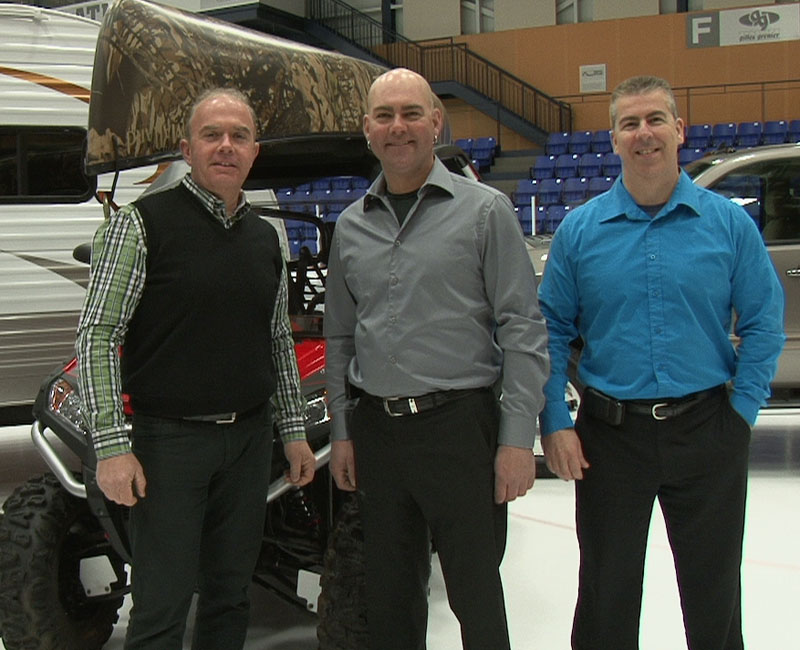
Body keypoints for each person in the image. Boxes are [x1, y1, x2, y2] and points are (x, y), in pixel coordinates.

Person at [538, 75, 785, 650]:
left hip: (707, 431)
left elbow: (763, 322)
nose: (643, 133)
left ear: (679, 130)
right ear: (614, 138)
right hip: (609, 439)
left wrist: (741, 411)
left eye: (655, 120)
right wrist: (554, 419)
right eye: (630, 123)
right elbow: (548, 330)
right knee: (606, 594)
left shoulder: (728, 225)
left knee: (714, 593)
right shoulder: (580, 231)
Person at [76, 87, 315, 649]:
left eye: (239, 136)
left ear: (255, 151)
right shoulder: (139, 225)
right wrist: (112, 446)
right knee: (162, 603)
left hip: (250, 443)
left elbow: (278, 340)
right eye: (212, 135)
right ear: (187, 147)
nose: (226, 146)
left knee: (230, 595)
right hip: (169, 446)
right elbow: (97, 336)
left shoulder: (263, 238)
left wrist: (295, 432)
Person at [324, 68, 550, 649]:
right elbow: (342, 340)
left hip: (461, 430)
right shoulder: (350, 227)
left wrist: (518, 439)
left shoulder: (485, 212)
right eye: (384, 116)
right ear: (368, 130)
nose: (398, 127)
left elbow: (523, 328)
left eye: (411, 113)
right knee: (392, 603)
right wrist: (345, 431)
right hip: (379, 434)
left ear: (435, 121)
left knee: (477, 598)